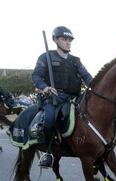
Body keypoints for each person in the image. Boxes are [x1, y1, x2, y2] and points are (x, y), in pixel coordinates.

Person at [32, 26, 93, 168]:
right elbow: (36, 76)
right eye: (64, 39)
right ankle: (48, 152)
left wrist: (97, 86)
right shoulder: (46, 57)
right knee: (49, 118)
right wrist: (45, 87)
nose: (68, 42)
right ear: (55, 40)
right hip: (54, 97)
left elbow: (88, 77)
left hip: (75, 97)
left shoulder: (75, 60)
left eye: (69, 40)